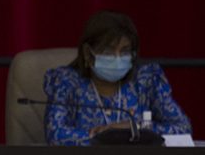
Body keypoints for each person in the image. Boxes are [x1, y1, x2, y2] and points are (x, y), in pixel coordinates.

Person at [43, 10, 192, 146]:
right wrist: (109, 136)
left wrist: (136, 128)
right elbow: (55, 134)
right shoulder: (67, 81)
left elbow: (182, 128)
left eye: (125, 51)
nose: (117, 58)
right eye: (108, 51)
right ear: (88, 53)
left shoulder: (146, 80)